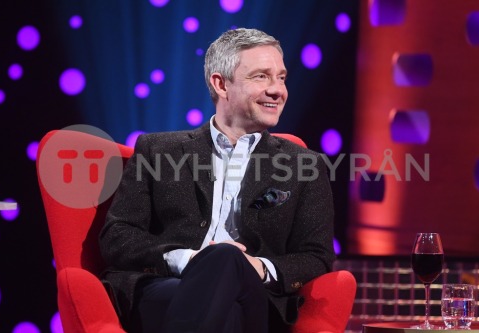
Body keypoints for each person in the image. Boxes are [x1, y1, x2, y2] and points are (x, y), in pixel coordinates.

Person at [99, 27, 335, 333]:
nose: (278, 89)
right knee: (224, 307)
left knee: (226, 262)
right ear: (221, 84)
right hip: (168, 284)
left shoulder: (306, 165)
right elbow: (117, 235)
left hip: (257, 294)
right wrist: (188, 259)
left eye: (281, 77)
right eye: (261, 76)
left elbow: (317, 256)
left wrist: (258, 267)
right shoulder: (157, 150)